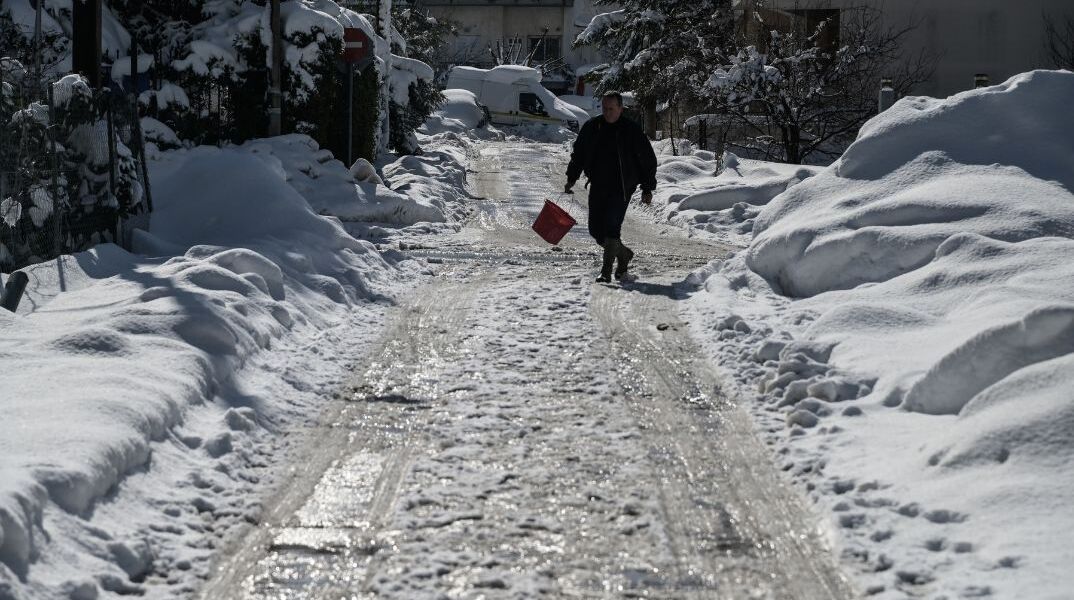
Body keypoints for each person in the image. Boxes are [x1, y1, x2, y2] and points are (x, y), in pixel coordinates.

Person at [565, 91, 658, 283]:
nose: (607, 112)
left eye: (611, 109)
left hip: (622, 187)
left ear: (620, 109)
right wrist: (571, 177)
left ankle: (606, 272)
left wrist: (647, 188)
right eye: (604, 108)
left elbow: (648, 159)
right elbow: (579, 154)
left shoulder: (630, 130)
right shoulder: (593, 127)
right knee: (596, 231)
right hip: (598, 185)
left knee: (612, 227)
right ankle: (623, 254)